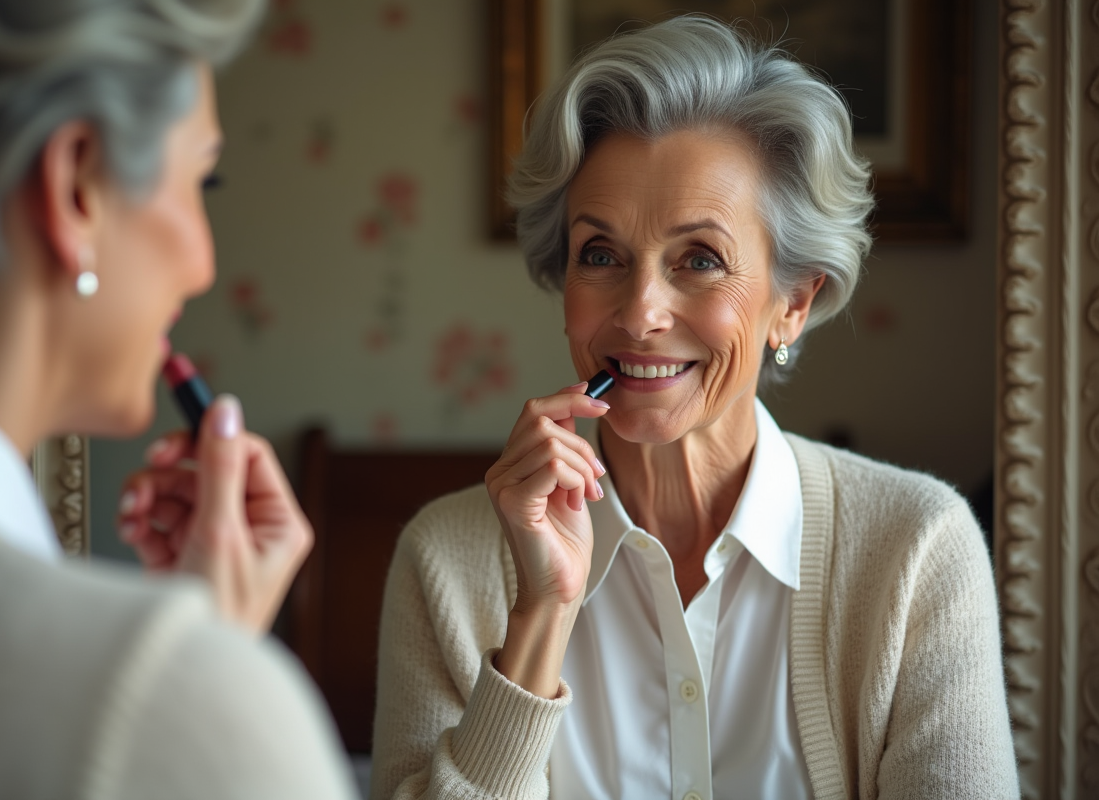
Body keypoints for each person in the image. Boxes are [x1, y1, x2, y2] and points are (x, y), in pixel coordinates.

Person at [370, 16, 1018, 800]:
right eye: (601, 255)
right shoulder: (446, 559)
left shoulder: (917, 551)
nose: (640, 312)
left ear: (793, 304)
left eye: (700, 260)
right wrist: (540, 616)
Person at [0, 0, 357, 797]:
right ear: (77, 185)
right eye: (199, 179)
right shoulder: (166, 704)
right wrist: (195, 682)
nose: (205, 265)